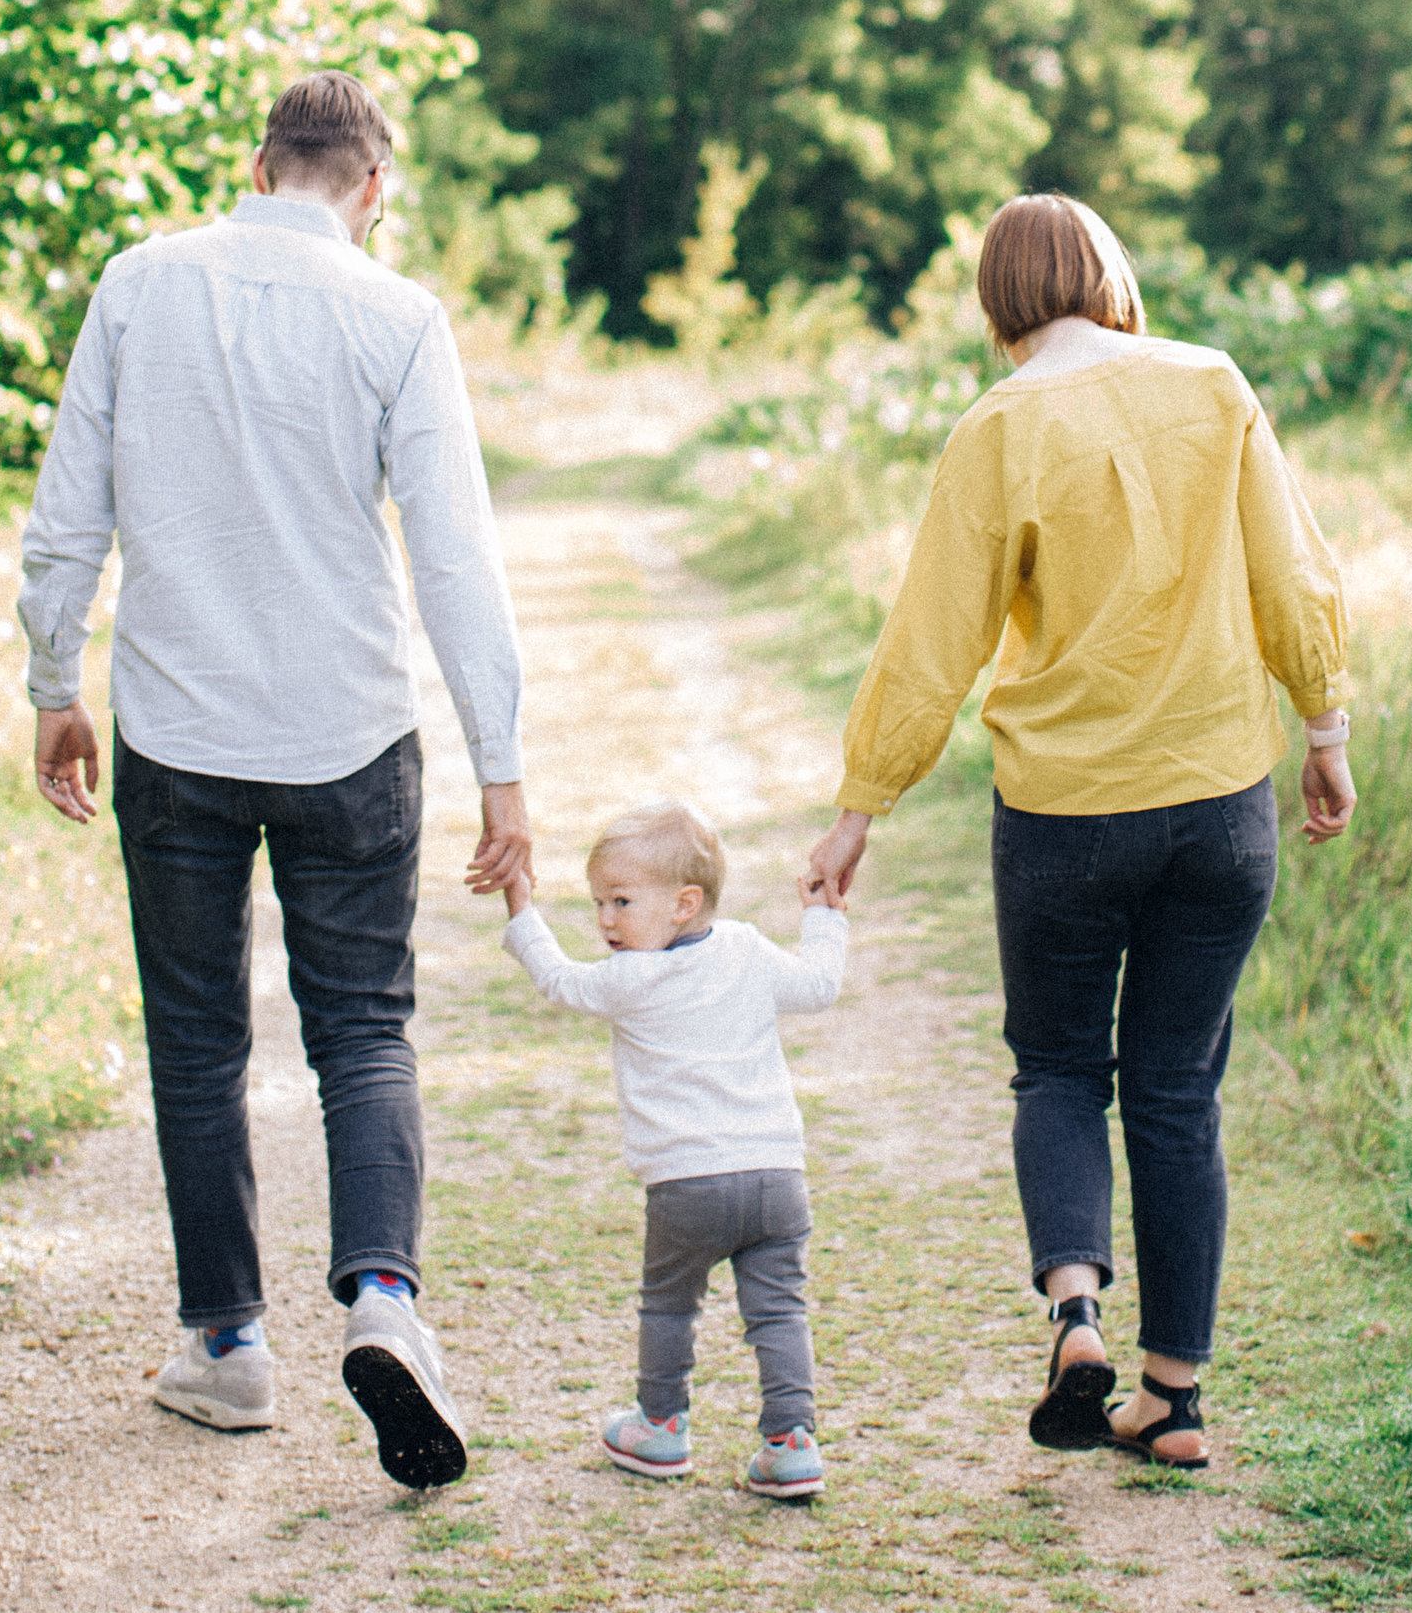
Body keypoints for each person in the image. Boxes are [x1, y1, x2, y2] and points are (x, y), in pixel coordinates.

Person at [17, 70, 531, 1489]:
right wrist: (503, 771)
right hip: (351, 736)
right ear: (375, 188)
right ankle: (385, 1300)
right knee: (363, 1030)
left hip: (176, 733)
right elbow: (455, 559)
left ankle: (229, 1345)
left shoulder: (140, 282)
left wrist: (54, 682)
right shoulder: (398, 315)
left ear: (258, 165)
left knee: (198, 1044)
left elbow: (71, 510)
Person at [802, 193, 1355, 1472]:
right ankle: (1174, 1401)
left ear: (998, 302)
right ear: (1108, 273)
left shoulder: (997, 429)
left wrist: (859, 808)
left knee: (1058, 1071)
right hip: (1219, 803)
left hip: (1062, 815)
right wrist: (1322, 728)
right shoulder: (1213, 387)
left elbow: (932, 639)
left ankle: (1076, 1317)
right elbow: (1290, 576)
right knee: (1176, 1089)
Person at [497, 799, 847, 1503]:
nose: (604, 920)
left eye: (621, 901)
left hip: (688, 1184)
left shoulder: (632, 980)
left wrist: (520, 907)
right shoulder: (746, 947)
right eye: (599, 902)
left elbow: (558, 979)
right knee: (779, 1310)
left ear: (685, 903)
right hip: (777, 1175)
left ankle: (660, 1424)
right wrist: (823, 915)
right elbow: (819, 984)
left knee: (668, 1306)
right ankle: (791, 1441)